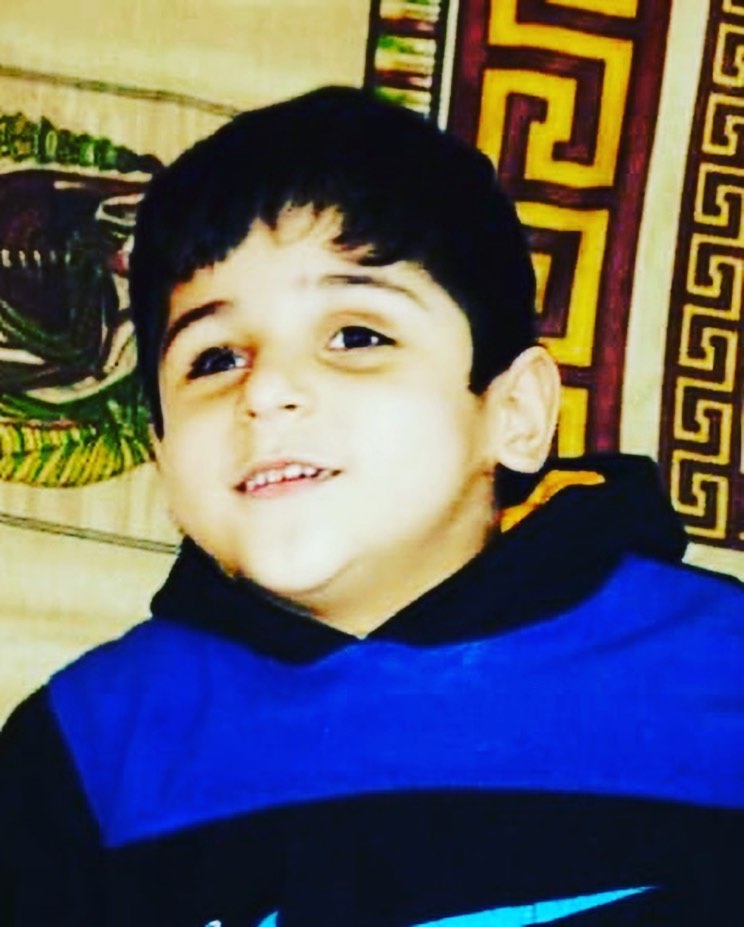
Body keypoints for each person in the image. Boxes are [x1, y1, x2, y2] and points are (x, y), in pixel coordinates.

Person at [0, 86, 742, 927]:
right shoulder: (87, 749)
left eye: (356, 337)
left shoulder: (721, 672)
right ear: (163, 455)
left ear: (515, 413)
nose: (266, 391)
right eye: (213, 358)